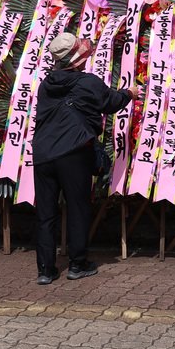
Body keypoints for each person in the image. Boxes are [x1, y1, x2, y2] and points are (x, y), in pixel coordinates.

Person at [31, 32, 132, 285]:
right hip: (74, 153)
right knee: (77, 208)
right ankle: (77, 264)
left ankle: (45, 270)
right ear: (77, 60)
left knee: (45, 212)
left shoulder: (46, 84)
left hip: (43, 154)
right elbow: (111, 102)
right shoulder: (88, 82)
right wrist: (130, 93)